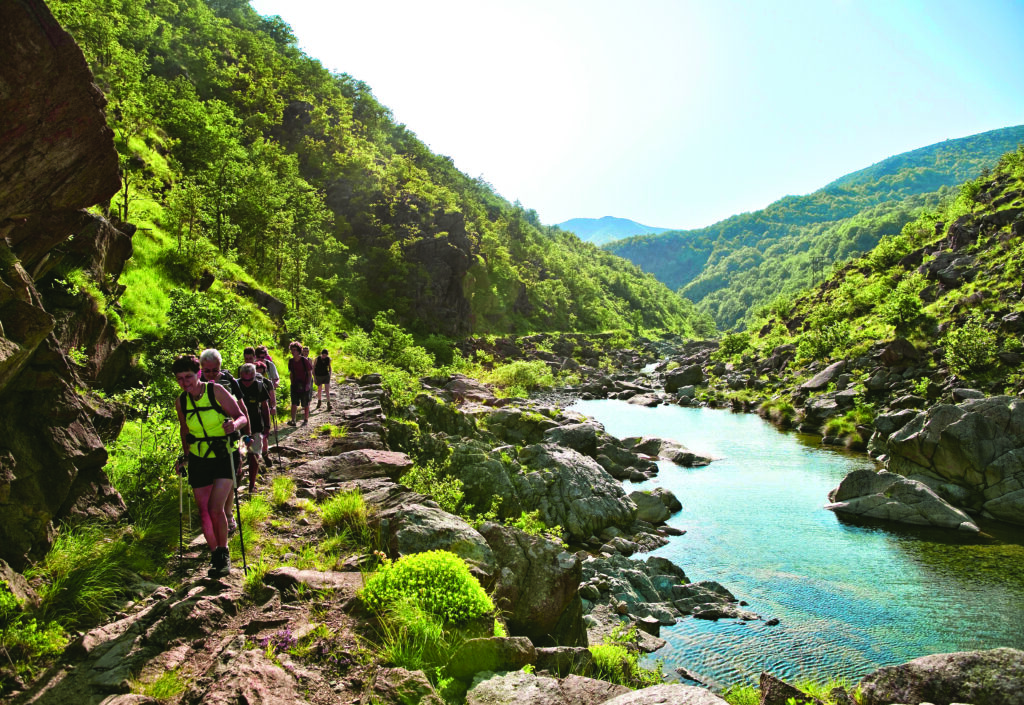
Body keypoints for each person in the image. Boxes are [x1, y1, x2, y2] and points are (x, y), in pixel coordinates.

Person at [172, 354, 247, 578]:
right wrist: (185, 457)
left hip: (224, 454)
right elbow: (185, 431)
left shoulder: (216, 391)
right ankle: (215, 555)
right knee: (204, 512)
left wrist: (233, 425)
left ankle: (223, 554)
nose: (184, 382)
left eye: (188, 377)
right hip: (198, 458)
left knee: (216, 508)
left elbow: (242, 416)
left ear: (198, 374)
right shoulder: (181, 401)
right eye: (179, 379)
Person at [200, 349, 249, 529]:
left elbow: (242, 410)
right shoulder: (196, 385)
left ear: (220, 367)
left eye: (215, 370)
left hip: (231, 438)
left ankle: (228, 514)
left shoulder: (230, 382)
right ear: (201, 369)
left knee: (229, 477)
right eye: (207, 371)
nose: (211, 374)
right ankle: (216, 514)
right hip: (205, 441)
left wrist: (246, 438)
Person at [237, 362, 272, 491]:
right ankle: (238, 474)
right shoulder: (235, 386)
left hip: (256, 426)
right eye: (244, 379)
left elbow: (264, 406)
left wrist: (267, 426)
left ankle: (252, 485)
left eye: (249, 379)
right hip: (238, 427)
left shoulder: (259, 386)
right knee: (238, 456)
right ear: (240, 375)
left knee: (254, 456)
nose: (246, 382)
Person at [253, 359, 276, 466]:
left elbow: (272, 396)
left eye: (261, 371)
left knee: (264, 434)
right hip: (253, 410)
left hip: (264, 410)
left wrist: (273, 406)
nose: (259, 373)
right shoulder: (249, 383)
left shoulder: (267, 382)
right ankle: (253, 456)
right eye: (256, 371)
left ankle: (265, 454)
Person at [287, 340, 313, 426]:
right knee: (294, 402)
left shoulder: (304, 360)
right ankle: (293, 420)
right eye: (292, 350)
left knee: (305, 402)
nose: (293, 351)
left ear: (299, 351)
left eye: (295, 350)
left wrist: (308, 384)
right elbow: (291, 373)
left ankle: (305, 419)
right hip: (295, 384)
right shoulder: (291, 361)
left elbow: (309, 373)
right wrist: (292, 383)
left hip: (305, 383)